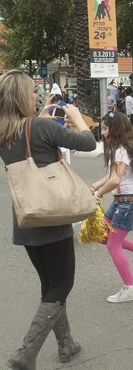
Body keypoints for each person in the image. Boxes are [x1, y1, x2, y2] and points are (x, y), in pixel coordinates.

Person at [0, 70, 97, 369]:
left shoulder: (5, 132)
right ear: (20, 98)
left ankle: (66, 343)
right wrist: (78, 118)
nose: (35, 97)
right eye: (31, 93)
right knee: (62, 285)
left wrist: (39, 117)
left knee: (50, 286)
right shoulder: (41, 126)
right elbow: (89, 143)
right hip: (53, 217)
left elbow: (29, 137)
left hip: (27, 219)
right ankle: (26, 353)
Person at [91, 112, 133, 303]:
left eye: (105, 128)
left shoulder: (120, 151)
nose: (102, 132)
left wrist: (98, 194)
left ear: (114, 130)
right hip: (123, 201)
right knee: (100, 234)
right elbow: (112, 176)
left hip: (129, 202)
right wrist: (97, 185)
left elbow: (116, 179)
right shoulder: (122, 148)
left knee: (113, 245)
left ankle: (131, 288)